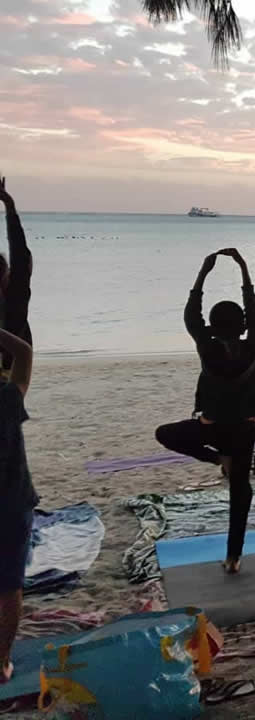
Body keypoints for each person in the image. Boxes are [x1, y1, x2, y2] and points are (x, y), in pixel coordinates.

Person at [155, 248, 255, 574]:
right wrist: (244, 268)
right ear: (244, 325)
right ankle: (233, 557)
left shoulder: (207, 346)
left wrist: (203, 273)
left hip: (211, 428)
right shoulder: (254, 343)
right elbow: (253, 309)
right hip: (245, 430)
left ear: (212, 327)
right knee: (240, 489)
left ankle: (219, 459)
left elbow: (191, 315)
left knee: (165, 434)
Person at [0, 327, 34, 683]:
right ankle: (2, 661)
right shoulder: (7, 399)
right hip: (13, 504)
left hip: (13, 504)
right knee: (9, 587)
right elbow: (23, 354)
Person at [0, 176, 33, 378]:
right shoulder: (14, 304)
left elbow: (21, 259)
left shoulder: (14, 303)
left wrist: (9, 206)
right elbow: (21, 260)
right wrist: (9, 205)